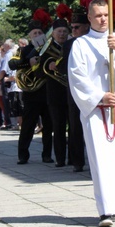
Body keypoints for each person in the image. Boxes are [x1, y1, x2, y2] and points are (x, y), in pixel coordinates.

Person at [68, 0, 115, 227]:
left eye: (106, 15)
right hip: (96, 110)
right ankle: (105, 211)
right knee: (101, 159)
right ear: (89, 18)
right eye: (98, 15)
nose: (103, 19)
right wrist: (100, 96)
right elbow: (77, 77)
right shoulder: (80, 44)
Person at [9, 18, 53, 164]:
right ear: (30, 36)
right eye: (35, 33)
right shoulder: (24, 50)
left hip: (46, 91)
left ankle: (47, 155)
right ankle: (23, 155)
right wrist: (28, 62)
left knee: (48, 126)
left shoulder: (49, 47)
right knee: (28, 126)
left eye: (40, 32)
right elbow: (12, 63)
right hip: (31, 94)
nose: (38, 35)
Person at [63, 9, 90, 172]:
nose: (73, 30)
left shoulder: (91, 41)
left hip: (93, 89)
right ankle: (77, 161)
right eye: (72, 27)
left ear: (87, 26)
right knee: (75, 127)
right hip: (74, 91)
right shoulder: (68, 44)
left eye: (77, 27)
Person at [42, 18, 71, 167]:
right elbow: (40, 69)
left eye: (65, 31)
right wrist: (49, 64)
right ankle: (60, 158)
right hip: (55, 94)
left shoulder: (71, 45)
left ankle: (73, 157)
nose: (62, 34)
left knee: (73, 126)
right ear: (53, 33)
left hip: (71, 92)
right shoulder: (46, 48)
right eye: (59, 31)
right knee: (58, 127)